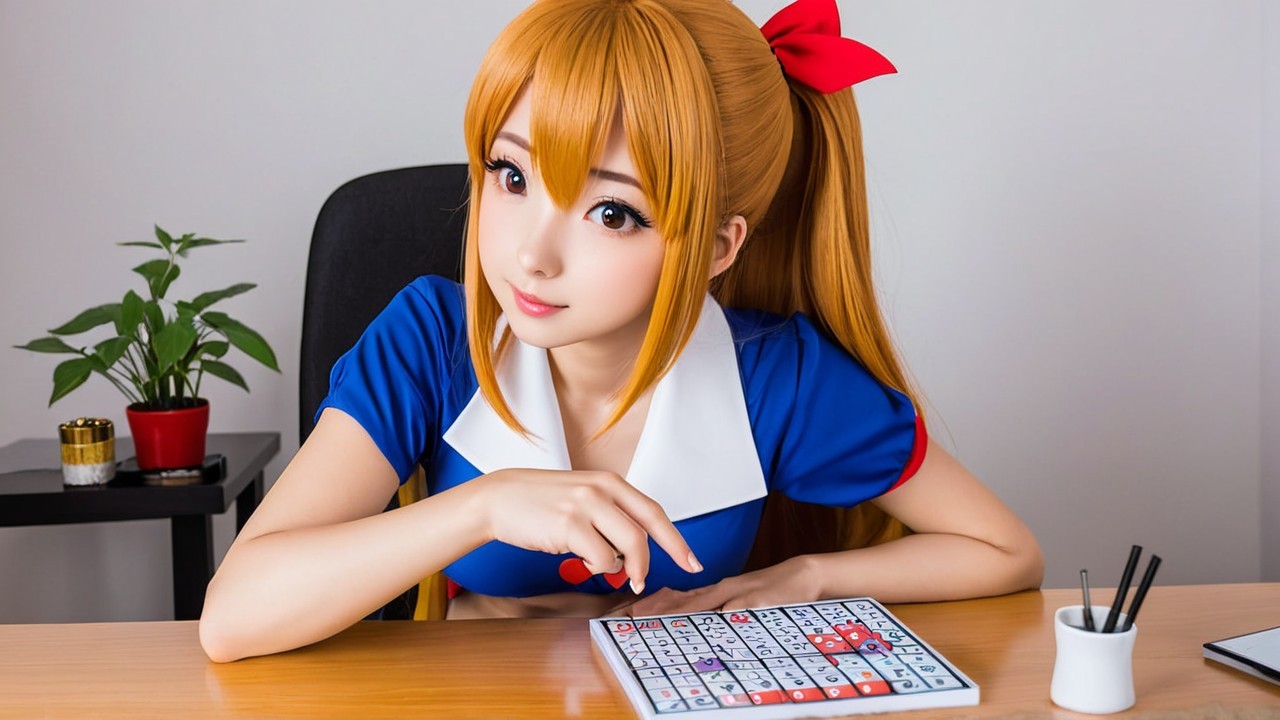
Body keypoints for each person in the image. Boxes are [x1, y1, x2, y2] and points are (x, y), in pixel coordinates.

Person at [199, 0, 1043, 663]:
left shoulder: (770, 374)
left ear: (716, 247)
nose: (530, 254)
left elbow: (1003, 550)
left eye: (611, 211)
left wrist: (810, 577)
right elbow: (233, 617)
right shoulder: (434, 338)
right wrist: (484, 507)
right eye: (511, 173)